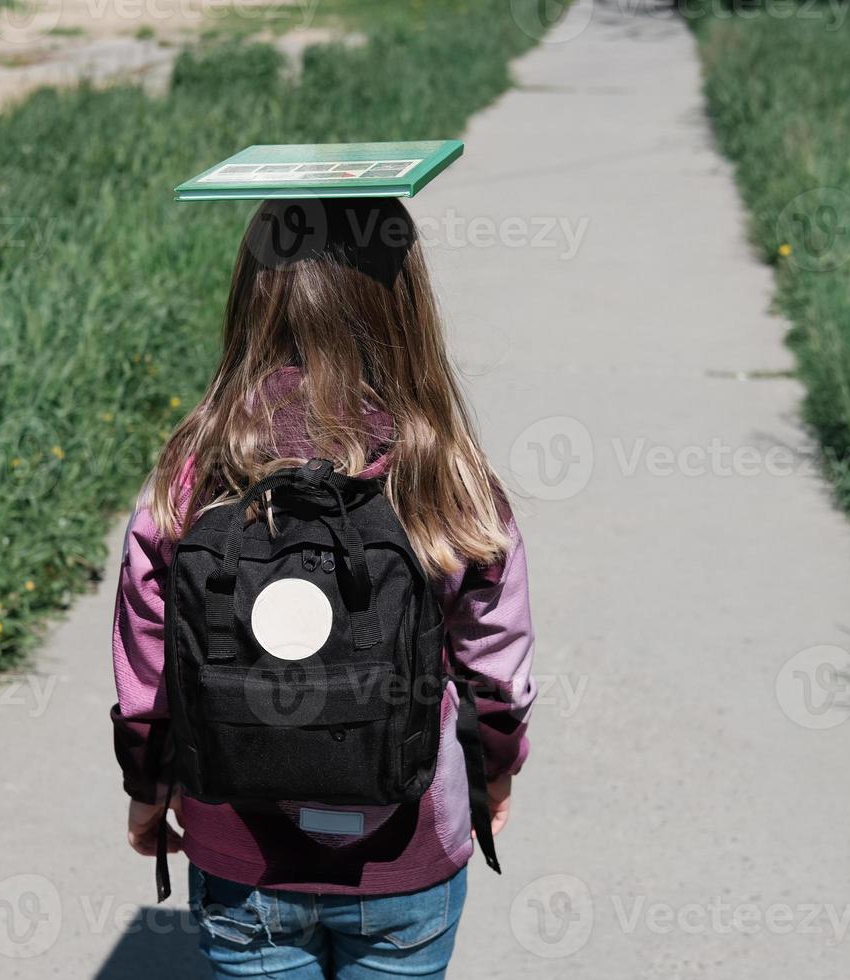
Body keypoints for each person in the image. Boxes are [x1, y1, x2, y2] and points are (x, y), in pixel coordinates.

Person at [111, 197, 535, 979]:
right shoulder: (445, 471)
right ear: (404, 309)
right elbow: (495, 662)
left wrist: (150, 781)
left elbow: (149, 663)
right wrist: (494, 767)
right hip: (409, 843)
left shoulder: (196, 468)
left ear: (249, 303)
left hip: (241, 848)